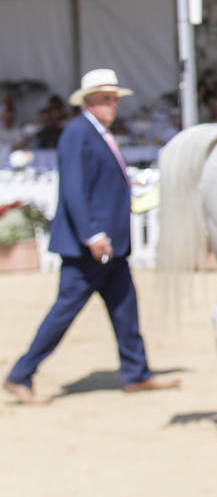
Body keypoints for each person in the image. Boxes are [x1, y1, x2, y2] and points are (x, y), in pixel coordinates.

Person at [4, 69, 179, 404]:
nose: (113, 106)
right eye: (106, 100)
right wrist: (92, 234)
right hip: (92, 247)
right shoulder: (78, 134)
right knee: (65, 310)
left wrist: (130, 185)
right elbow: (73, 189)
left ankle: (137, 372)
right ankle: (21, 373)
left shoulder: (95, 133)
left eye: (114, 99)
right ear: (90, 102)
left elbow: (99, 180)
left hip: (111, 245)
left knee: (125, 308)